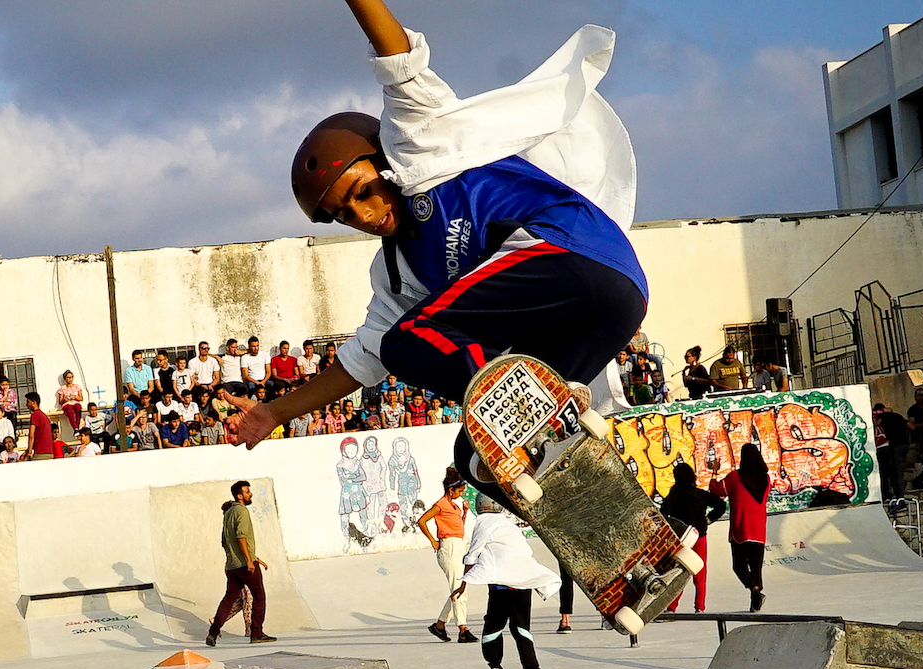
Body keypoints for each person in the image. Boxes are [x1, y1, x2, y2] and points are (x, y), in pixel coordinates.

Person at [227, 0, 647, 510]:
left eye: (363, 191)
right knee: (477, 458)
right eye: (344, 214)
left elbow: (398, 59)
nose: (362, 214)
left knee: (409, 342)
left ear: (380, 160)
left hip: (576, 252)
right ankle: (608, 529)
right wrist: (274, 412)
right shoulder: (397, 277)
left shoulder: (420, 142)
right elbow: (362, 360)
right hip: (606, 316)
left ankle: (518, 404)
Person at [449, 497, 560, 669]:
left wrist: (463, 585)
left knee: (493, 626)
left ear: (479, 507)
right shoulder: (509, 524)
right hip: (524, 582)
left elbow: (472, 556)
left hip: (501, 586)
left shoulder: (483, 524)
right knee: (521, 628)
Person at [206, 480, 278, 646]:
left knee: (229, 598)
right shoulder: (242, 512)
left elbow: (224, 540)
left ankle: (213, 632)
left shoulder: (228, 513)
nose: (250, 494)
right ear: (240, 496)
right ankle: (257, 633)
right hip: (245, 565)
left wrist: (252, 557)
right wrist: (249, 560)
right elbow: (241, 537)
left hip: (232, 566)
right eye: (247, 492)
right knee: (259, 595)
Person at [418, 471, 477, 643]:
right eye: (459, 491)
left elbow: (458, 527)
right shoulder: (441, 504)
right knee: (459, 589)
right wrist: (432, 540)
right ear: (451, 490)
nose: (461, 494)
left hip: (458, 545)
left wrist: (465, 512)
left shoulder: (454, 506)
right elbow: (422, 520)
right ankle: (462, 628)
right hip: (448, 547)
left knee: (458, 589)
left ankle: (440, 625)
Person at [662, 462, 726, 613]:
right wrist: (709, 519)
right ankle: (700, 606)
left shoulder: (673, 496)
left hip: (681, 540)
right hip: (699, 537)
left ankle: (671, 607)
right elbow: (721, 505)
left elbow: (663, 513)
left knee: (678, 573)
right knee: (700, 573)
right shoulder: (699, 495)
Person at [717, 443, 770, 612]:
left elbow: (717, 490)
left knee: (739, 566)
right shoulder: (766, 479)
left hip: (741, 529)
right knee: (756, 567)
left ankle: (754, 590)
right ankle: (755, 604)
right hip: (759, 530)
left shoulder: (734, 477)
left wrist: (714, 472)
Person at [872, 401, 911, 501]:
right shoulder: (894, 416)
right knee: (894, 471)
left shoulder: (876, 417)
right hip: (892, 446)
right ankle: (897, 493)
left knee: (885, 472)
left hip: (881, 447)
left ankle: (889, 494)